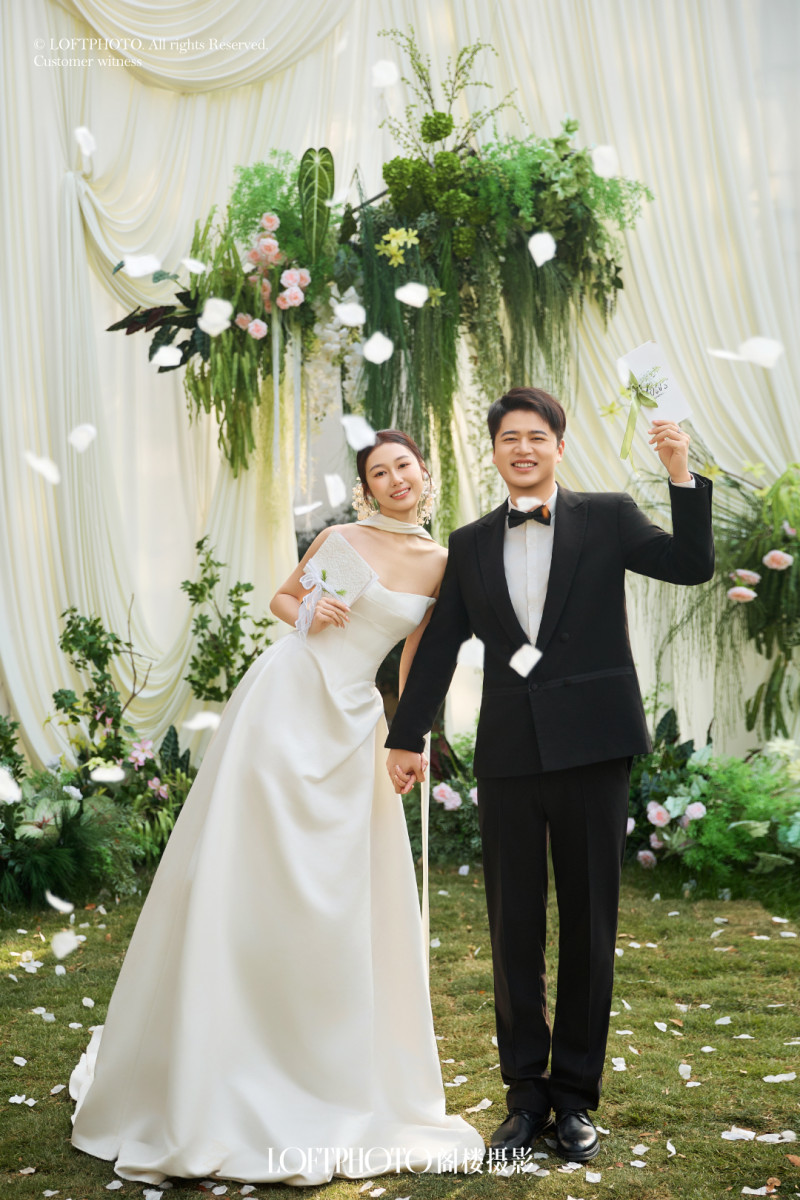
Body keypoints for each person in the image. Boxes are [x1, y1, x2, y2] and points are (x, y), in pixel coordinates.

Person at [68, 429, 485, 1187]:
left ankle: (316, 1042)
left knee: (335, 880)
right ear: (365, 487)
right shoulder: (344, 538)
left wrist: (410, 733)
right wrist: (309, 613)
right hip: (286, 701)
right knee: (251, 861)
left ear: (424, 475)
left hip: (353, 717)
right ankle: (222, 1039)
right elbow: (284, 597)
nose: (395, 479)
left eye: (404, 467)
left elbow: (418, 654)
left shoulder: (439, 562)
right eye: (380, 472)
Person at [385, 387, 715, 1164]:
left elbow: (691, 565)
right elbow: (440, 647)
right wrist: (406, 735)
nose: (524, 448)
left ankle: (574, 1099)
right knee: (513, 927)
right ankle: (524, 1097)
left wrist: (680, 472)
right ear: (495, 452)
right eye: (510, 438)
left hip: (595, 747)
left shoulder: (608, 516)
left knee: (590, 924)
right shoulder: (469, 544)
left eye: (537, 436)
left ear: (559, 448)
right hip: (509, 753)